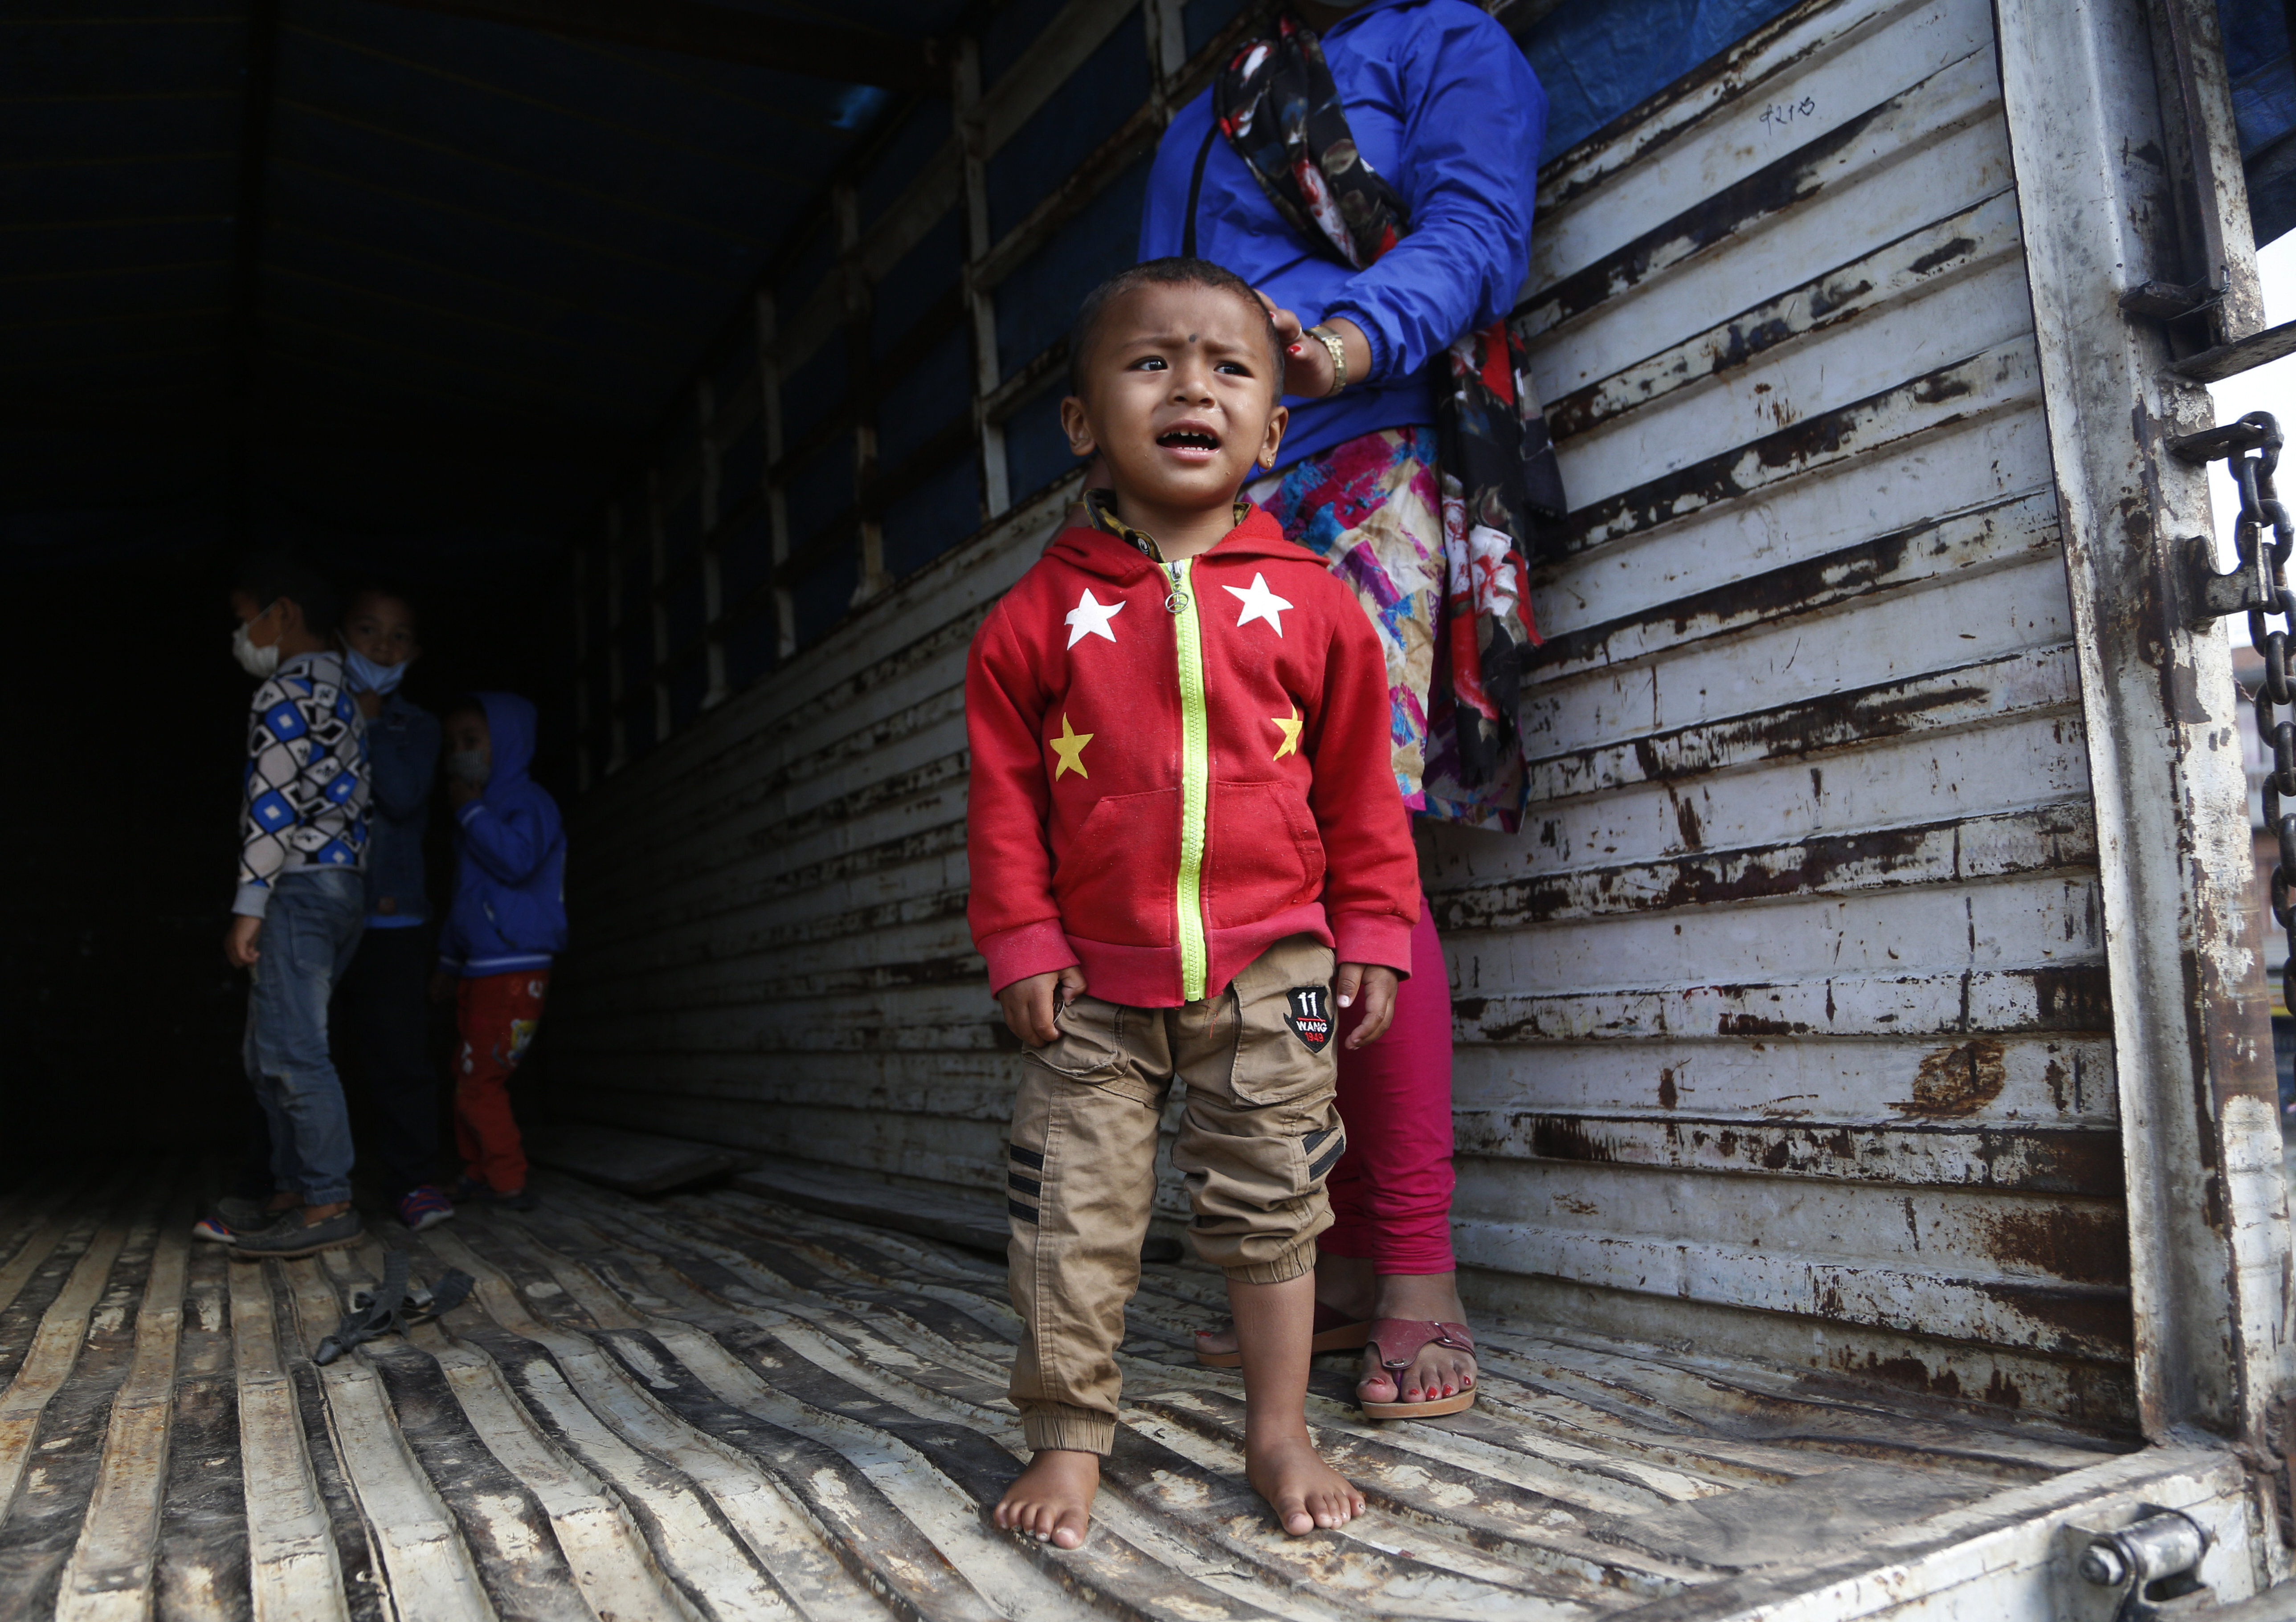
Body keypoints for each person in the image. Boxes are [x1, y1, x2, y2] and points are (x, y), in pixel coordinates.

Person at [968, 258, 1421, 1549]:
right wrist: (1019, 943)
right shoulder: (1029, 622)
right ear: (1082, 424)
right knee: (1071, 1216)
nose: (1192, 387)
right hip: (1091, 991)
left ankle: (1277, 1430)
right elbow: (1003, 806)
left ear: (1272, 429)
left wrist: (1375, 930)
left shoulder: (1321, 608)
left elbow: (1361, 798)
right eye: (1152, 362)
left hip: (1270, 971)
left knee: (1275, 1205)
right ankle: (1066, 1439)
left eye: (1230, 368)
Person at [1143, 0, 1550, 1417]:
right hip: (1212, 521)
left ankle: (1420, 1274)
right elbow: (1151, 322)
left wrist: (1331, 343)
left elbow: (1478, 231)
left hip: (1355, 463)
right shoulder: (1199, 117)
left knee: (1360, 866)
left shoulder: (1439, 44)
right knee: (1252, 888)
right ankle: (1339, 1253)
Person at [219, 555, 373, 1260]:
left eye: (245, 617)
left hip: (299, 884)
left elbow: (272, 806)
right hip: (343, 885)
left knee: (292, 1052)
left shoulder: (285, 690)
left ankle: (325, 1200)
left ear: (281, 614)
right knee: (268, 1049)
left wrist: (251, 902)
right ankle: (290, 1188)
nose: (244, 633)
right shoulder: (343, 687)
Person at [334, 587, 451, 1231]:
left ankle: (412, 1181)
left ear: (416, 652)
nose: (383, 645)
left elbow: (404, 799)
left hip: (393, 914)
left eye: (399, 635)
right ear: (338, 637)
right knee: (314, 1051)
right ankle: (307, 1185)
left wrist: (370, 722)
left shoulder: (417, 725)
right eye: (368, 629)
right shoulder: (313, 712)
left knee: (399, 1054)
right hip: (323, 908)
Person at [432, 692, 567, 1212]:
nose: (460, 753)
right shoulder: (479, 815)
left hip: (513, 967)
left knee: (480, 1080)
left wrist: (469, 811)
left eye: (473, 742)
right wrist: (448, 963)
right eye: (452, 745)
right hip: (480, 966)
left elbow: (517, 861)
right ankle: (478, 1172)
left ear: (506, 745)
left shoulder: (528, 803)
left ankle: (507, 1180)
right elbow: (465, 901)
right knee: (467, 1075)